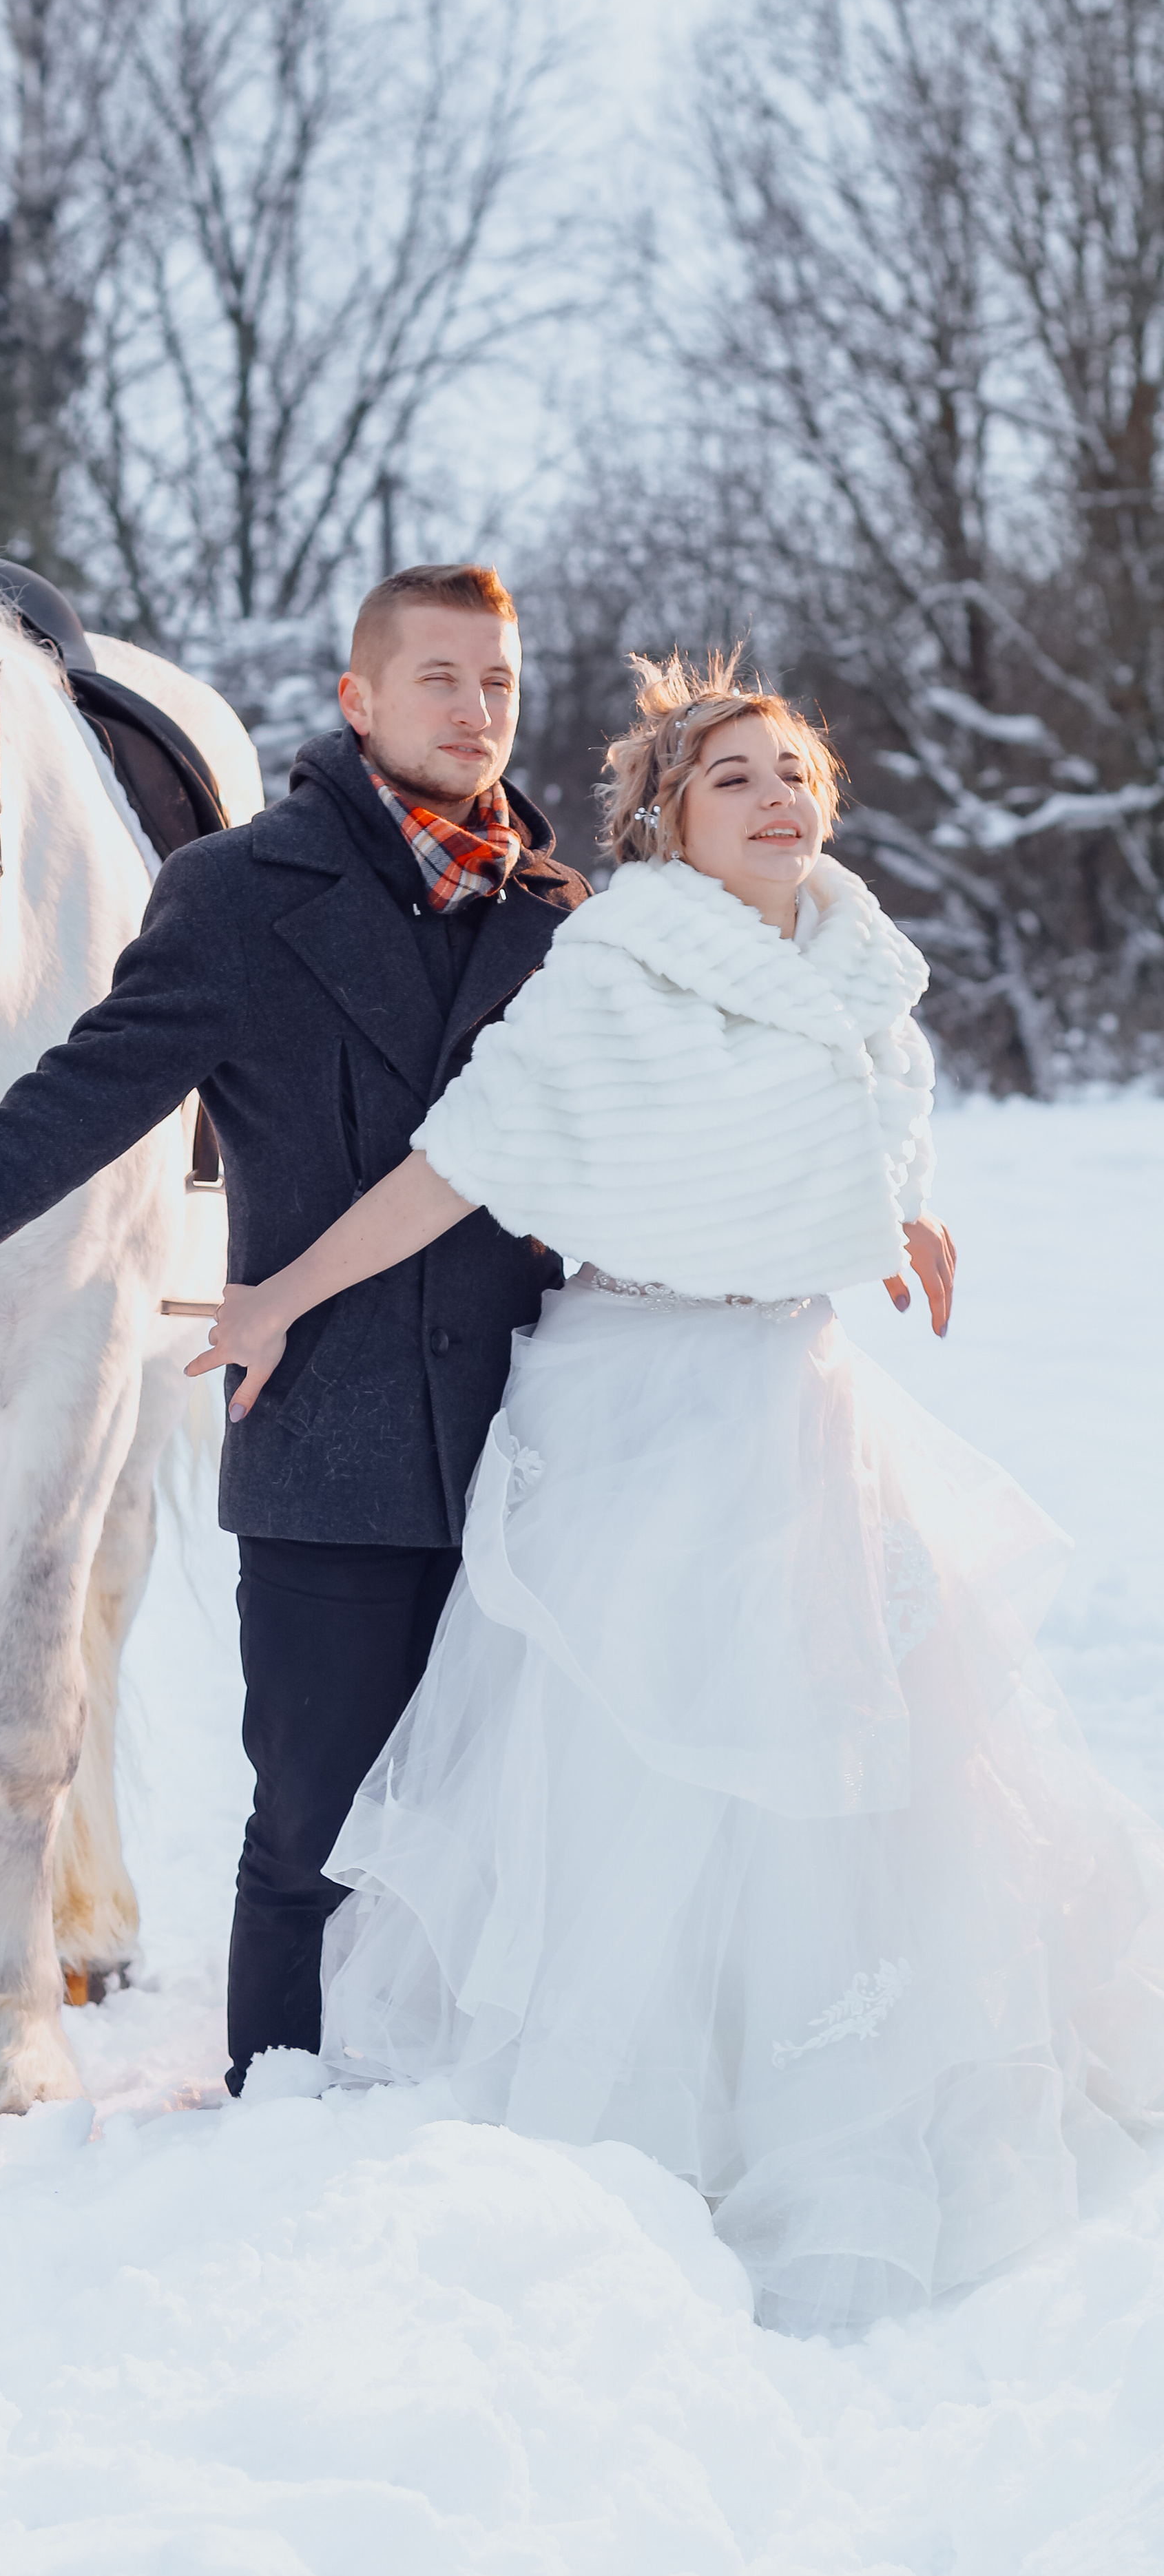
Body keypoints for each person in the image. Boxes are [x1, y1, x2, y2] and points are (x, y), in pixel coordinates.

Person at [191, 651, 1164, 2332]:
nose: (779, 797)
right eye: (733, 779)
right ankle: (615, 2132)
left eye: (795, 770)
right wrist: (277, 1295)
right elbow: (459, 1165)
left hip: (792, 1397)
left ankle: (794, 2103)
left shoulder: (858, 970)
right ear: (662, 821)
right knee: (632, 1782)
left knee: (832, 1793)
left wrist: (904, 1209)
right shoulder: (613, 972)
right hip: (632, 1395)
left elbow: (872, 1132)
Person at [0, 563, 588, 2091]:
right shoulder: (238, 897)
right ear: (358, 699)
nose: (476, 715)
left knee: (513, 1833)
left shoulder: (555, 917)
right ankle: (273, 2127)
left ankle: (474, 2125)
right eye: (440, 681)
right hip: (331, 1455)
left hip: (537, 1454)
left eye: (499, 686)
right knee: (308, 1836)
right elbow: (68, 1112)